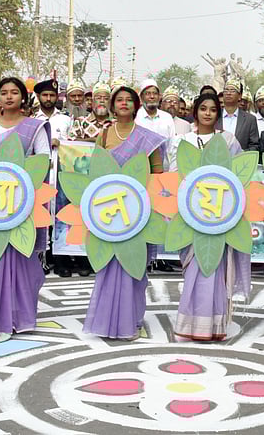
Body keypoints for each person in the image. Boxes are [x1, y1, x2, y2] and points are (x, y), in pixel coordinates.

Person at [84, 85, 166, 340]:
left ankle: (131, 321)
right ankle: (107, 321)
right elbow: (96, 170)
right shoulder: (105, 134)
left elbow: (157, 175)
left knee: (133, 264)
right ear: (112, 105)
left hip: (137, 212)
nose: (123, 103)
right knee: (109, 264)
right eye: (119, 100)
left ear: (135, 105)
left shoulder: (148, 138)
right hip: (109, 212)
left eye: (128, 100)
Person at [168, 92, 251, 341]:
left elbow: (238, 177)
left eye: (213, 109)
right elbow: (174, 175)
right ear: (195, 111)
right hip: (191, 214)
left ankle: (214, 324)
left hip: (220, 216)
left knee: (215, 266)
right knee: (195, 266)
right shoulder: (183, 141)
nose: (207, 113)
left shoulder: (228, 140)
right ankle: (191, 322)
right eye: (203, 108)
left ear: (218, 114)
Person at [0, 77, 52, 334]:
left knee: (23, 261)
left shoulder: (35, 128)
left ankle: (22, 318)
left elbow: (44, 163)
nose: (9, 97)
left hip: (22, 204)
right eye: (4, 92)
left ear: (23, 98)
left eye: (14, 92)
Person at [132, 79, 175, 169]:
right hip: (139, 169)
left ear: (159, 97)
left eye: (155, 93)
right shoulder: (135, 117)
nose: (152, 96)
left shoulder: (167, 118)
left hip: (164, 169)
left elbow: (171, 146)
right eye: (148, 93)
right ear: (141, 97)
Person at [218, 79, 260, 153]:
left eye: (232, 91)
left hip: (240, 159)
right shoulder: (215, 116)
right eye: (226, 90)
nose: (228, 93)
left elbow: (255, 146)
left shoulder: (250, 119)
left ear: (240, 96)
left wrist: (241, 154)